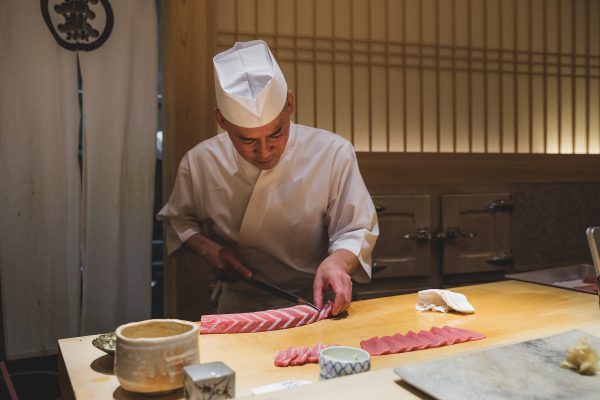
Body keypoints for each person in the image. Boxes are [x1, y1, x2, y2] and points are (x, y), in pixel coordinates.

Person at [157, 40, 378, 316]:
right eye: (247, 140)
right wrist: (210, 251)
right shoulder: (200, 162)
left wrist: (338, 263)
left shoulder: (332, 153)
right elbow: (178, 220)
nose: (263, 151)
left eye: (276, 133)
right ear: (221, 121)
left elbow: (356, 228)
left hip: (319, 301)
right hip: (241, 303)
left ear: (290, 104)